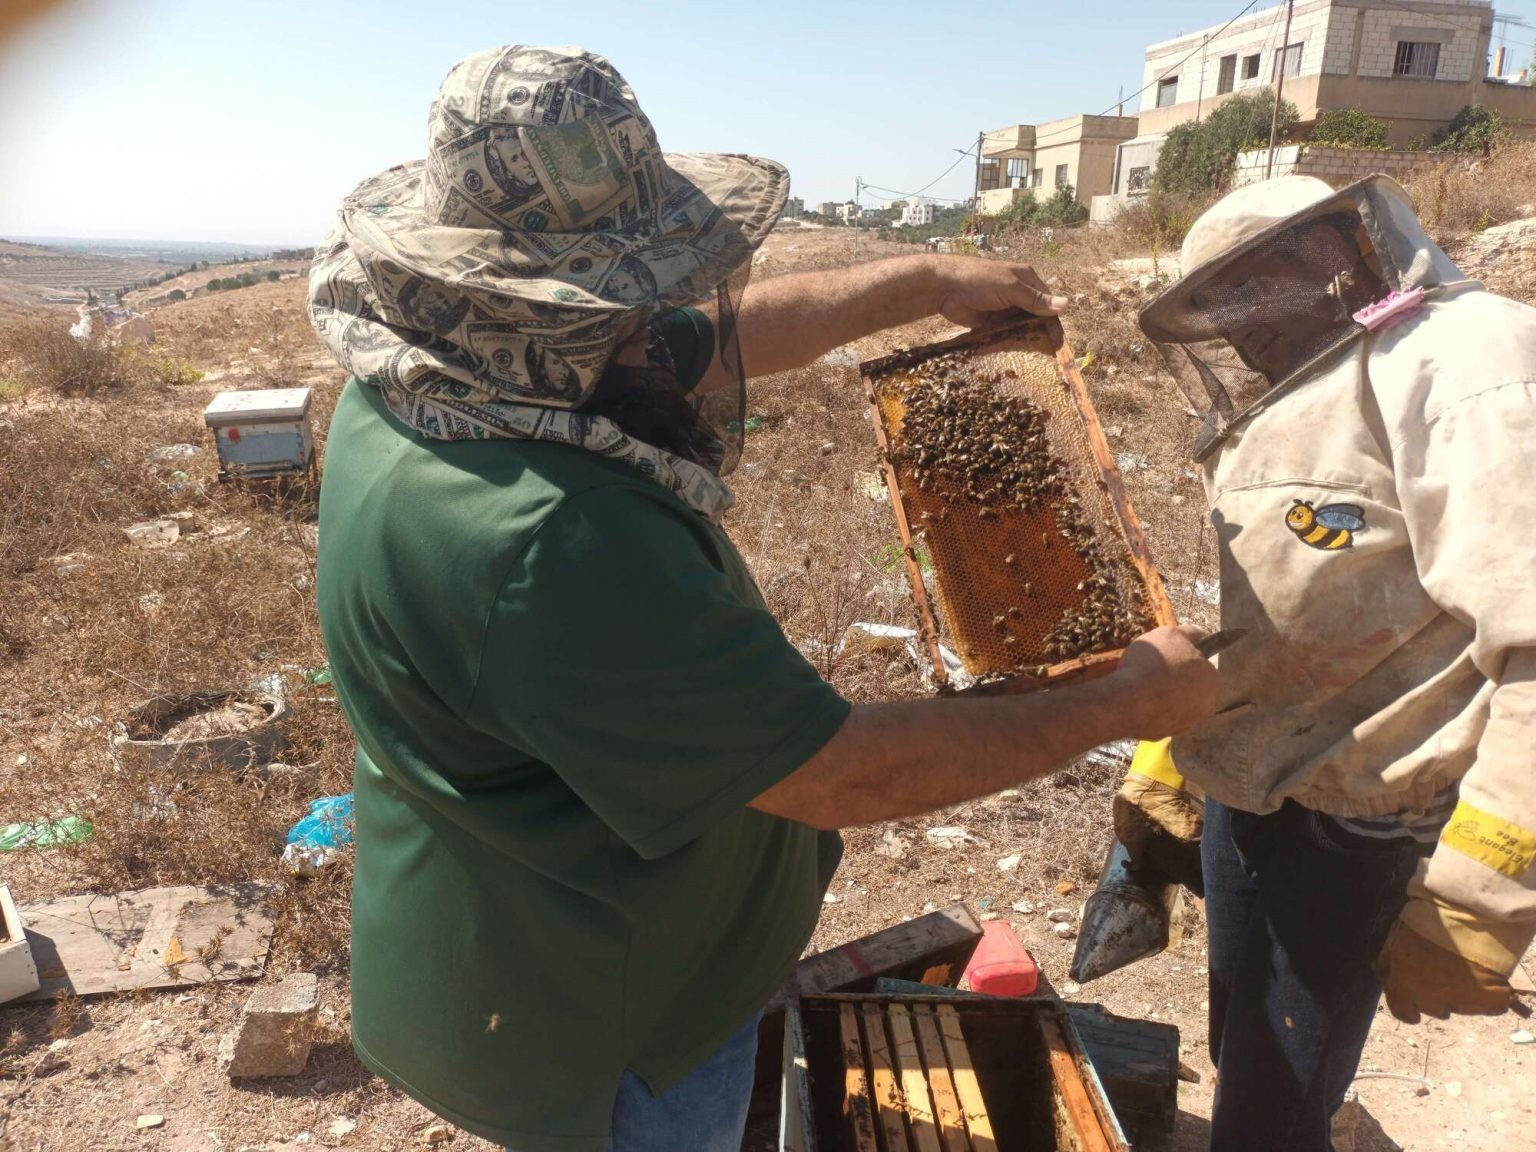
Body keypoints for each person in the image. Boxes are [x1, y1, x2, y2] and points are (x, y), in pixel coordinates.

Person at [310, 45, 1219, 1152]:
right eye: (623, 295)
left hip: (481, 931)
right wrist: (1120, 701)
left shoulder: (431, 376)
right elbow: (842, 773)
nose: (661, 317)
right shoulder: (560, 539)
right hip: (605, 1024)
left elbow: (708, 342)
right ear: (539, 308)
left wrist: (925, 285)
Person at [1120, 174, 1536, 1152]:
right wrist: (1178, 749)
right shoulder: (1325, 379)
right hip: (1261, 790)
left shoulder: (1473, 361)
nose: (1238, 320)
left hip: (1366, 814)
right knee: (1251, 1042)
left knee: (1279, 1096)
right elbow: (1295, 605)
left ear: (1346, 243)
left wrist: (1482, 895)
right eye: (1218, 301)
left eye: (1259, 279)